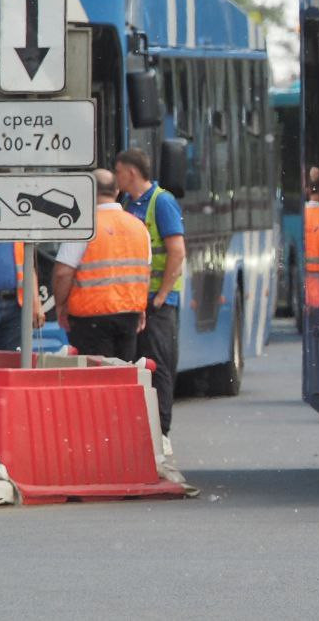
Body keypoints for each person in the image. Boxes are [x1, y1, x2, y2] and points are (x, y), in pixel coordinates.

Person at [115, 149, 185, 443]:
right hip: (135, 302)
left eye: (118, 172)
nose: (116, 178)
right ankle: (142, 434)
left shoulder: (162, 202)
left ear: (131, 172)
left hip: (158, 304)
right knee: (136, 368)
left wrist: (160, 296)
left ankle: (162, 435)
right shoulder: (128, 204)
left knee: (159, 368)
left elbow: (177, 251)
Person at [51, 169, 150, 360]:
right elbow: (144, 272)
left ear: (87, 191)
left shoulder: (84, 226)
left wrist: (61, 304)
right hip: (129, 315)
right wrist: (141, 308)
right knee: (123, 374)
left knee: (96, 378)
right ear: (117, 191)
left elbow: (63, 272)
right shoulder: (139, 227)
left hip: (90, 317)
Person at [0, 242, 44, 351]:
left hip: (15, 305)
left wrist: (36, 302)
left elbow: (28, 263)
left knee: (9, 361)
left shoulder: (17, 227)